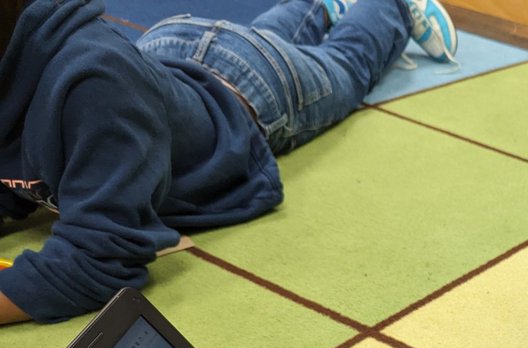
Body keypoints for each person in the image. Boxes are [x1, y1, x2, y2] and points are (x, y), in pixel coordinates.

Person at [0, 0, 457, 325]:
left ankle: (394, 8)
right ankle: (320, 6)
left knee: (347, 64)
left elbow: (101, 259)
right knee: (263, 36)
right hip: (170, 52)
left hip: (254, 90)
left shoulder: (92, 89)